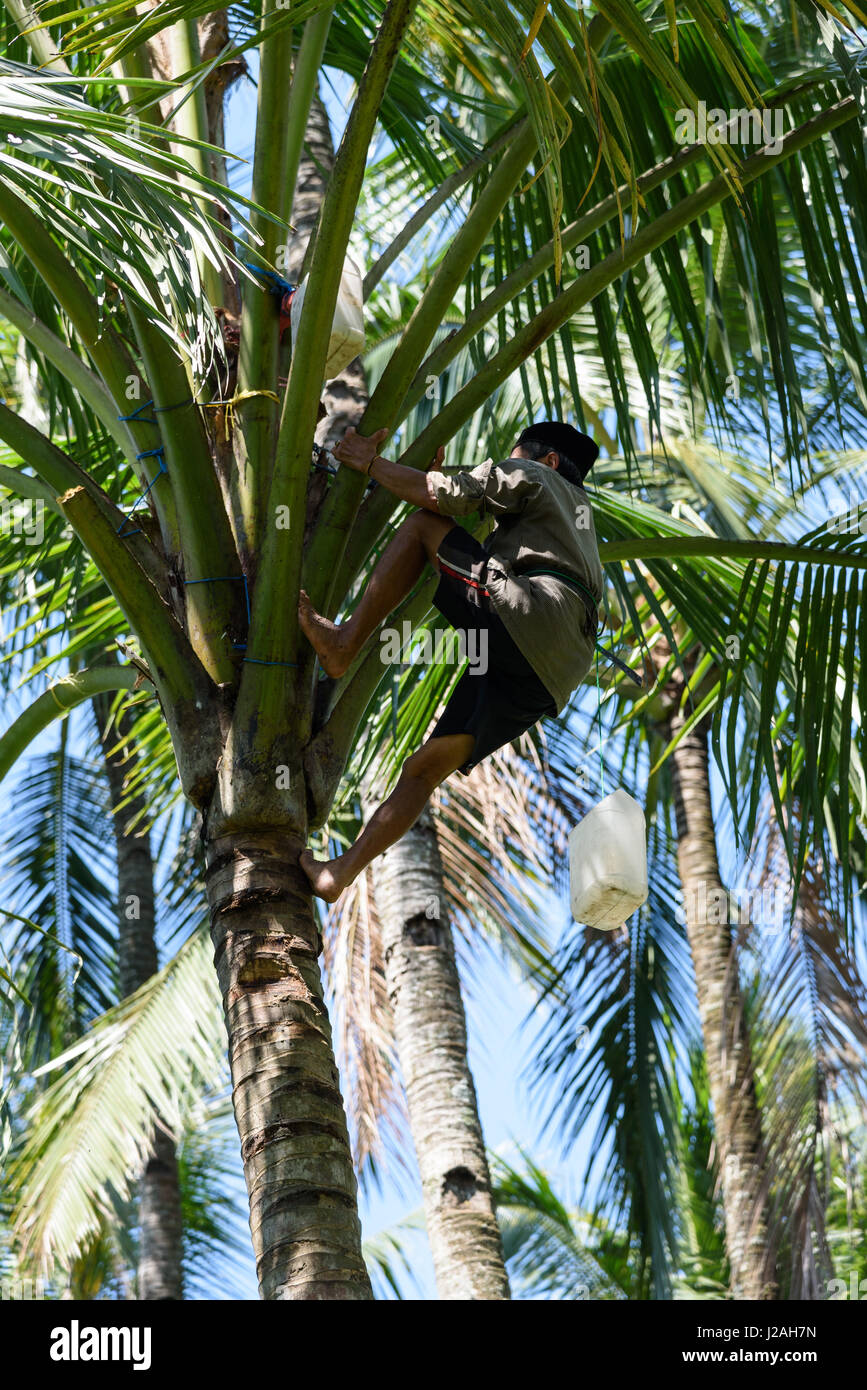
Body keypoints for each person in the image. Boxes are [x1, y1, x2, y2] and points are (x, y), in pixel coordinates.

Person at [298, 420, 604, 902]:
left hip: (531, 614)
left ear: (546, 459)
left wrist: (370, 462)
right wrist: (424, 484)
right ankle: (338, 874)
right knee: (425, 767)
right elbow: (457, 512)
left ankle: (343, 644)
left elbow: (447, 498)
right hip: (554, 673)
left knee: (423, 527)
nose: (511, 460)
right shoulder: (578, 518)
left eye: (517, 453)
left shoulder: (539, 478)